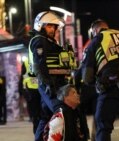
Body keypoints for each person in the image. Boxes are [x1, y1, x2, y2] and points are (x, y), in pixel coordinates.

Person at [28, 11, 76, 141]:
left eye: (54, 27)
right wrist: (49, 84)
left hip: (57, 83)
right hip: (50, 84)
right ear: (41, 26)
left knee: (45, 117)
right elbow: (39, 66)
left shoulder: (50, 42)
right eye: (49, 26)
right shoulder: (39, 41)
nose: (53, 29)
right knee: (62, 111)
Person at [21, 58, 41, 133]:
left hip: (31, 89)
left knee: (35, 114)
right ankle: (37, 132)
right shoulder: (40, 58)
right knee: (37, 114)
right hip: (37, 89)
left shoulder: (26, 62)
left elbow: (22, 76)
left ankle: (37, 132)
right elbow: (23, 76)